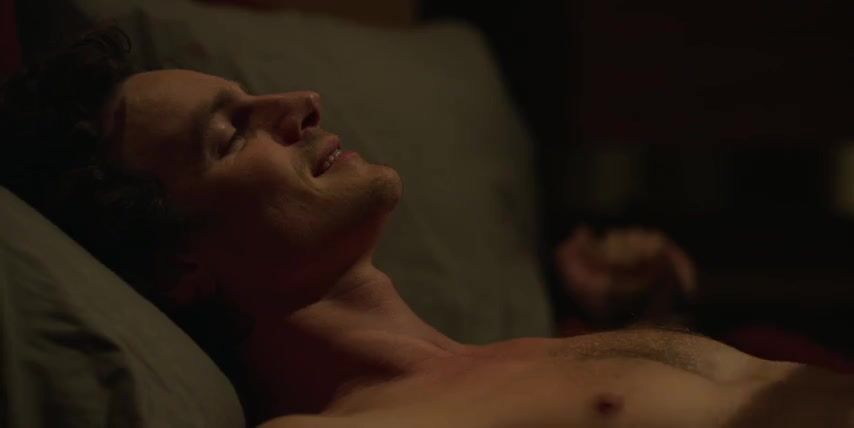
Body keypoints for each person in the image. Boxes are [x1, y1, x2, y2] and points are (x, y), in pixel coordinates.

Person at [2, 29, 852, 428]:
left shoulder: (525, 350)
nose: (301, 103)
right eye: (231, 135)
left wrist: (643, 316)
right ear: (178, 264)